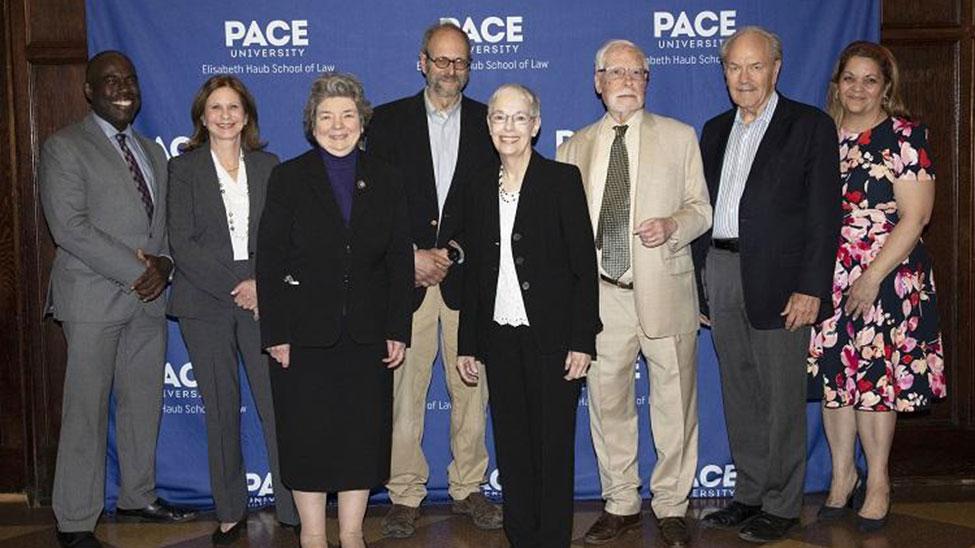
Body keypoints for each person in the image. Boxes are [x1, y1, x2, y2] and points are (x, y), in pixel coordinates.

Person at [556, 39, 712, 547]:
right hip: (601, 296)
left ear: (648, 81)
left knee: (675, 403)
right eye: (615, 72)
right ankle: (620, 502)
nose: (627, 81)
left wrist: (672, 224)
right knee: (607, 404)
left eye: (637, 73)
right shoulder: (572, 148)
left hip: (665, 290)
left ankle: (671, 505)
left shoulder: (679, 136)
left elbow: (702, 210)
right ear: (597, 82)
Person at [39, 50, 195, 548]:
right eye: (109, 80)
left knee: (141, 405)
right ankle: (75, 521)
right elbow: (70, 229)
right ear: (89, 90)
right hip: (92, 299)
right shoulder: (64, 147)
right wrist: (140, 272)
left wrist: (165, 264)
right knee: (86, 410)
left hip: (147, 302)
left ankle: (137, 495)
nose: (122, 87)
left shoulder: (152, 151)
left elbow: (163, 225)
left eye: (129, 79)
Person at [692, 27, 841, 543]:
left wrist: (811, 287)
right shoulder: (713, 130)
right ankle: (750, 494)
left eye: (755, 66)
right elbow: (700, 213)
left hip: (783, 284)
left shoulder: (810, 126)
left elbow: (826, 216)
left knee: (781, 397)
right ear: (724, 72)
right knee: (739, 393)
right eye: (734, 67)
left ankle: (782, 503)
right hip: (722, 270)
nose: (744, 77)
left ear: (776, 69)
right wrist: (700, 284)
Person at [256, 72, 413, 548]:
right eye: (327, 116)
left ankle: (351, 535)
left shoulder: (386, 177)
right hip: (303, 336)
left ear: (362, 122)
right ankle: (312, 536)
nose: (338, 125)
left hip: (367, 336)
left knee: (360, 440)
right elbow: (271, 259)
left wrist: (397, 327)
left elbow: (397, 262)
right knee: (307, 439)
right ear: (313, 123)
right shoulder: (289, 177)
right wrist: (276, 331)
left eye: (347, 115)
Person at [366, 21, 501, 536]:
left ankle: (469, 487)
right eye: (441, 60)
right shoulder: (386, 122)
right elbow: (370, 205)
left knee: (472, 389)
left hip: (467, 281)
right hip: (406, 282)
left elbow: (496, 205)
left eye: (460, 62)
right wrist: (408, 255)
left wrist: (454, 252)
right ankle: (404, 492)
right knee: (404, 392)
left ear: (469, 68)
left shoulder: (492, 123)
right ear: (422, 61)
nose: (450, 70)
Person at [809, 41, 945, 533]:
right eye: (850, 79)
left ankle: (879, 481)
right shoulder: (822, 135)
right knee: (836, 383)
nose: (858, 89)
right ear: (837, 83)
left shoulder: (905, 136)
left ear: (886, 86)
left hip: (886, 276)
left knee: (874, 384)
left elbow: (917, 216)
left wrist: (871, 276)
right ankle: (842, 479)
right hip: (829, 274)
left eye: (870, 80)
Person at [456, 84, 600, 548]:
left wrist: (582, 340)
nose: (509, 128)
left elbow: (583, 268)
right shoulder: (477, 185)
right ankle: (521, 537)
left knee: (553, 448)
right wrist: (468, 342)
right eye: (499, 118)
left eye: (520, 118)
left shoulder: (562, 181)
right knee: (514, 448)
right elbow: (475, 272)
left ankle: (552, 539)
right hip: (499, 337)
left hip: (554, 339)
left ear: (536, 125)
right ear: (488, 125)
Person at [167, 74, 299, 544]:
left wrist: (260, 284)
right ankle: (229, 510)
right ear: (203, 117)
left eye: (234, 107)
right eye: (216, 108)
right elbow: (181, 243)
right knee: (221, 408)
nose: (225, 116)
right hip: (204, 301)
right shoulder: (182, 170)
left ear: (247, 116)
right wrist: (238, 285)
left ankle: (292, 506)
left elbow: (284, 236)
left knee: (275, 405)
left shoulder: (269, 165)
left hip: (263, 297)